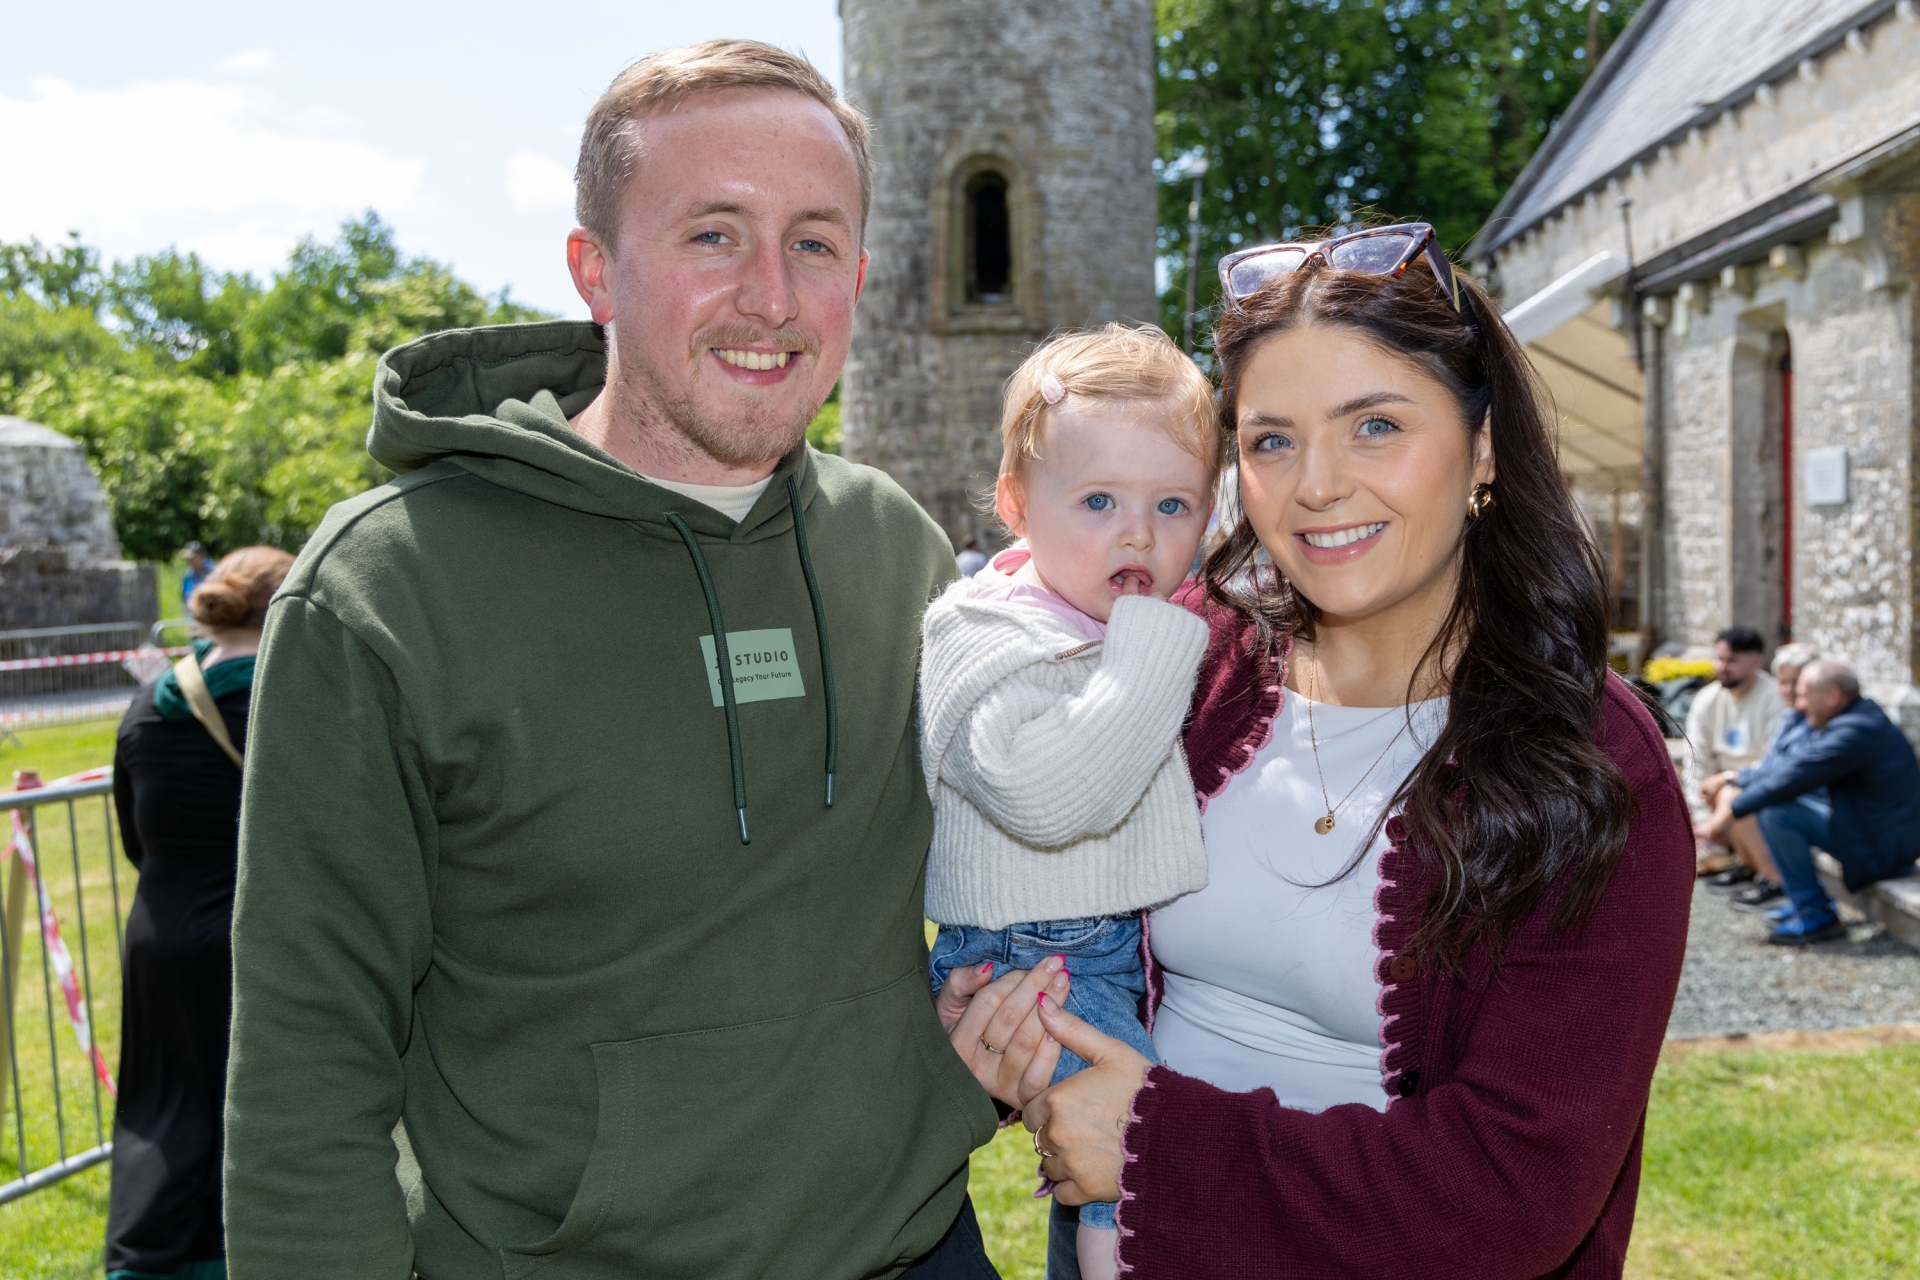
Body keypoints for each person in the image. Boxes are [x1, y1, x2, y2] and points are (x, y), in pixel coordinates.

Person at [223, 42, 1001, 1278]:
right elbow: (306, 1056)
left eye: (813, 243)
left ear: (858, 276)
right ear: (596, 270)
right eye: (713, 235)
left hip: (917, 1248)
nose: (771, 296)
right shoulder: (388, 588)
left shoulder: (896, 549)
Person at [940, 222, 1693, 1277]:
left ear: (1483, 449)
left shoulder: (1595, 761)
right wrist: (1008, 1017)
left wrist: (1154, 1147)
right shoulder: (1188, 657)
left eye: (1376, 425)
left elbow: (1519, 1190)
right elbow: (1050, 871)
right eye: (1271, 441)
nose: (1317, 485)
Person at [922, 324, 1217, 1280]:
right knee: (1133, 1149)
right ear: (1016, 505)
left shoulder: (1087, 621)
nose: (1139, 533)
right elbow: (1047, 795)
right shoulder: (988, 631)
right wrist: (1154, 646)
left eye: (1173, 504)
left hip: (1095, 940)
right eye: (1098, 500)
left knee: (1129, 1141)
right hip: (1036, 951)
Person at [107, 545, 293, 1280]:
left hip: (161, 936)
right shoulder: (290, 699)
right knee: (262, 1112)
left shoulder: (145, 711)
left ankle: (148, 1262)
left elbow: (135, 837)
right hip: (263, 934)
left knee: (161, 1107)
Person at [1727, 658, 1920, 945]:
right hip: (1877, 835)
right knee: (1777, 802)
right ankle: (1803, 903)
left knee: (1777, 810)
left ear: (1832, 696)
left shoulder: (1854, 731)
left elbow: (1793, 777)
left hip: (1884, 852)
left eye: (1805, 695)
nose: (1799, 704)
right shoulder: (1857, 719)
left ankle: (1815, 914)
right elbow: (1788, 767)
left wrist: (1728, 813)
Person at [1699, 642, 1820, 906]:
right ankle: (1751, 866)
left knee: (1742, 798)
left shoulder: (1815, 719)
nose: (1789, 689)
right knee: (1729, 791)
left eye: (1796, 682)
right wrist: (1728, 777)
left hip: (1810, 798)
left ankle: (1776, 881)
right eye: (1783, 682)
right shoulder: (1792, 718)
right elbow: (1771, 764)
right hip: (1792, 790)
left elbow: (1784, 771)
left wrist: (1731, 780)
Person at [1684, 626, 1785, 873]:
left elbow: (1775, 762)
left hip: (1755, 787)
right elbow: (1696, 759)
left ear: (1755, 662)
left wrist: (1728, 782)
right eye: (1719, 658)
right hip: (1716, 789)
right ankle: (1714, 847)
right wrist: (1701, 816)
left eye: (1731, 660)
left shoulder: (1774, 697)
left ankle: (1760, 872)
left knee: (1735, 796)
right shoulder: (1707, 699)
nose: (1722, 667)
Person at [179, 542, 214, 608]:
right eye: (187, 558)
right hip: (192, 613)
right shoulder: (188, 576)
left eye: (192, 558)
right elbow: (185, 598)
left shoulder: (214, 572)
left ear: (202, 556)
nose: (189, 561)